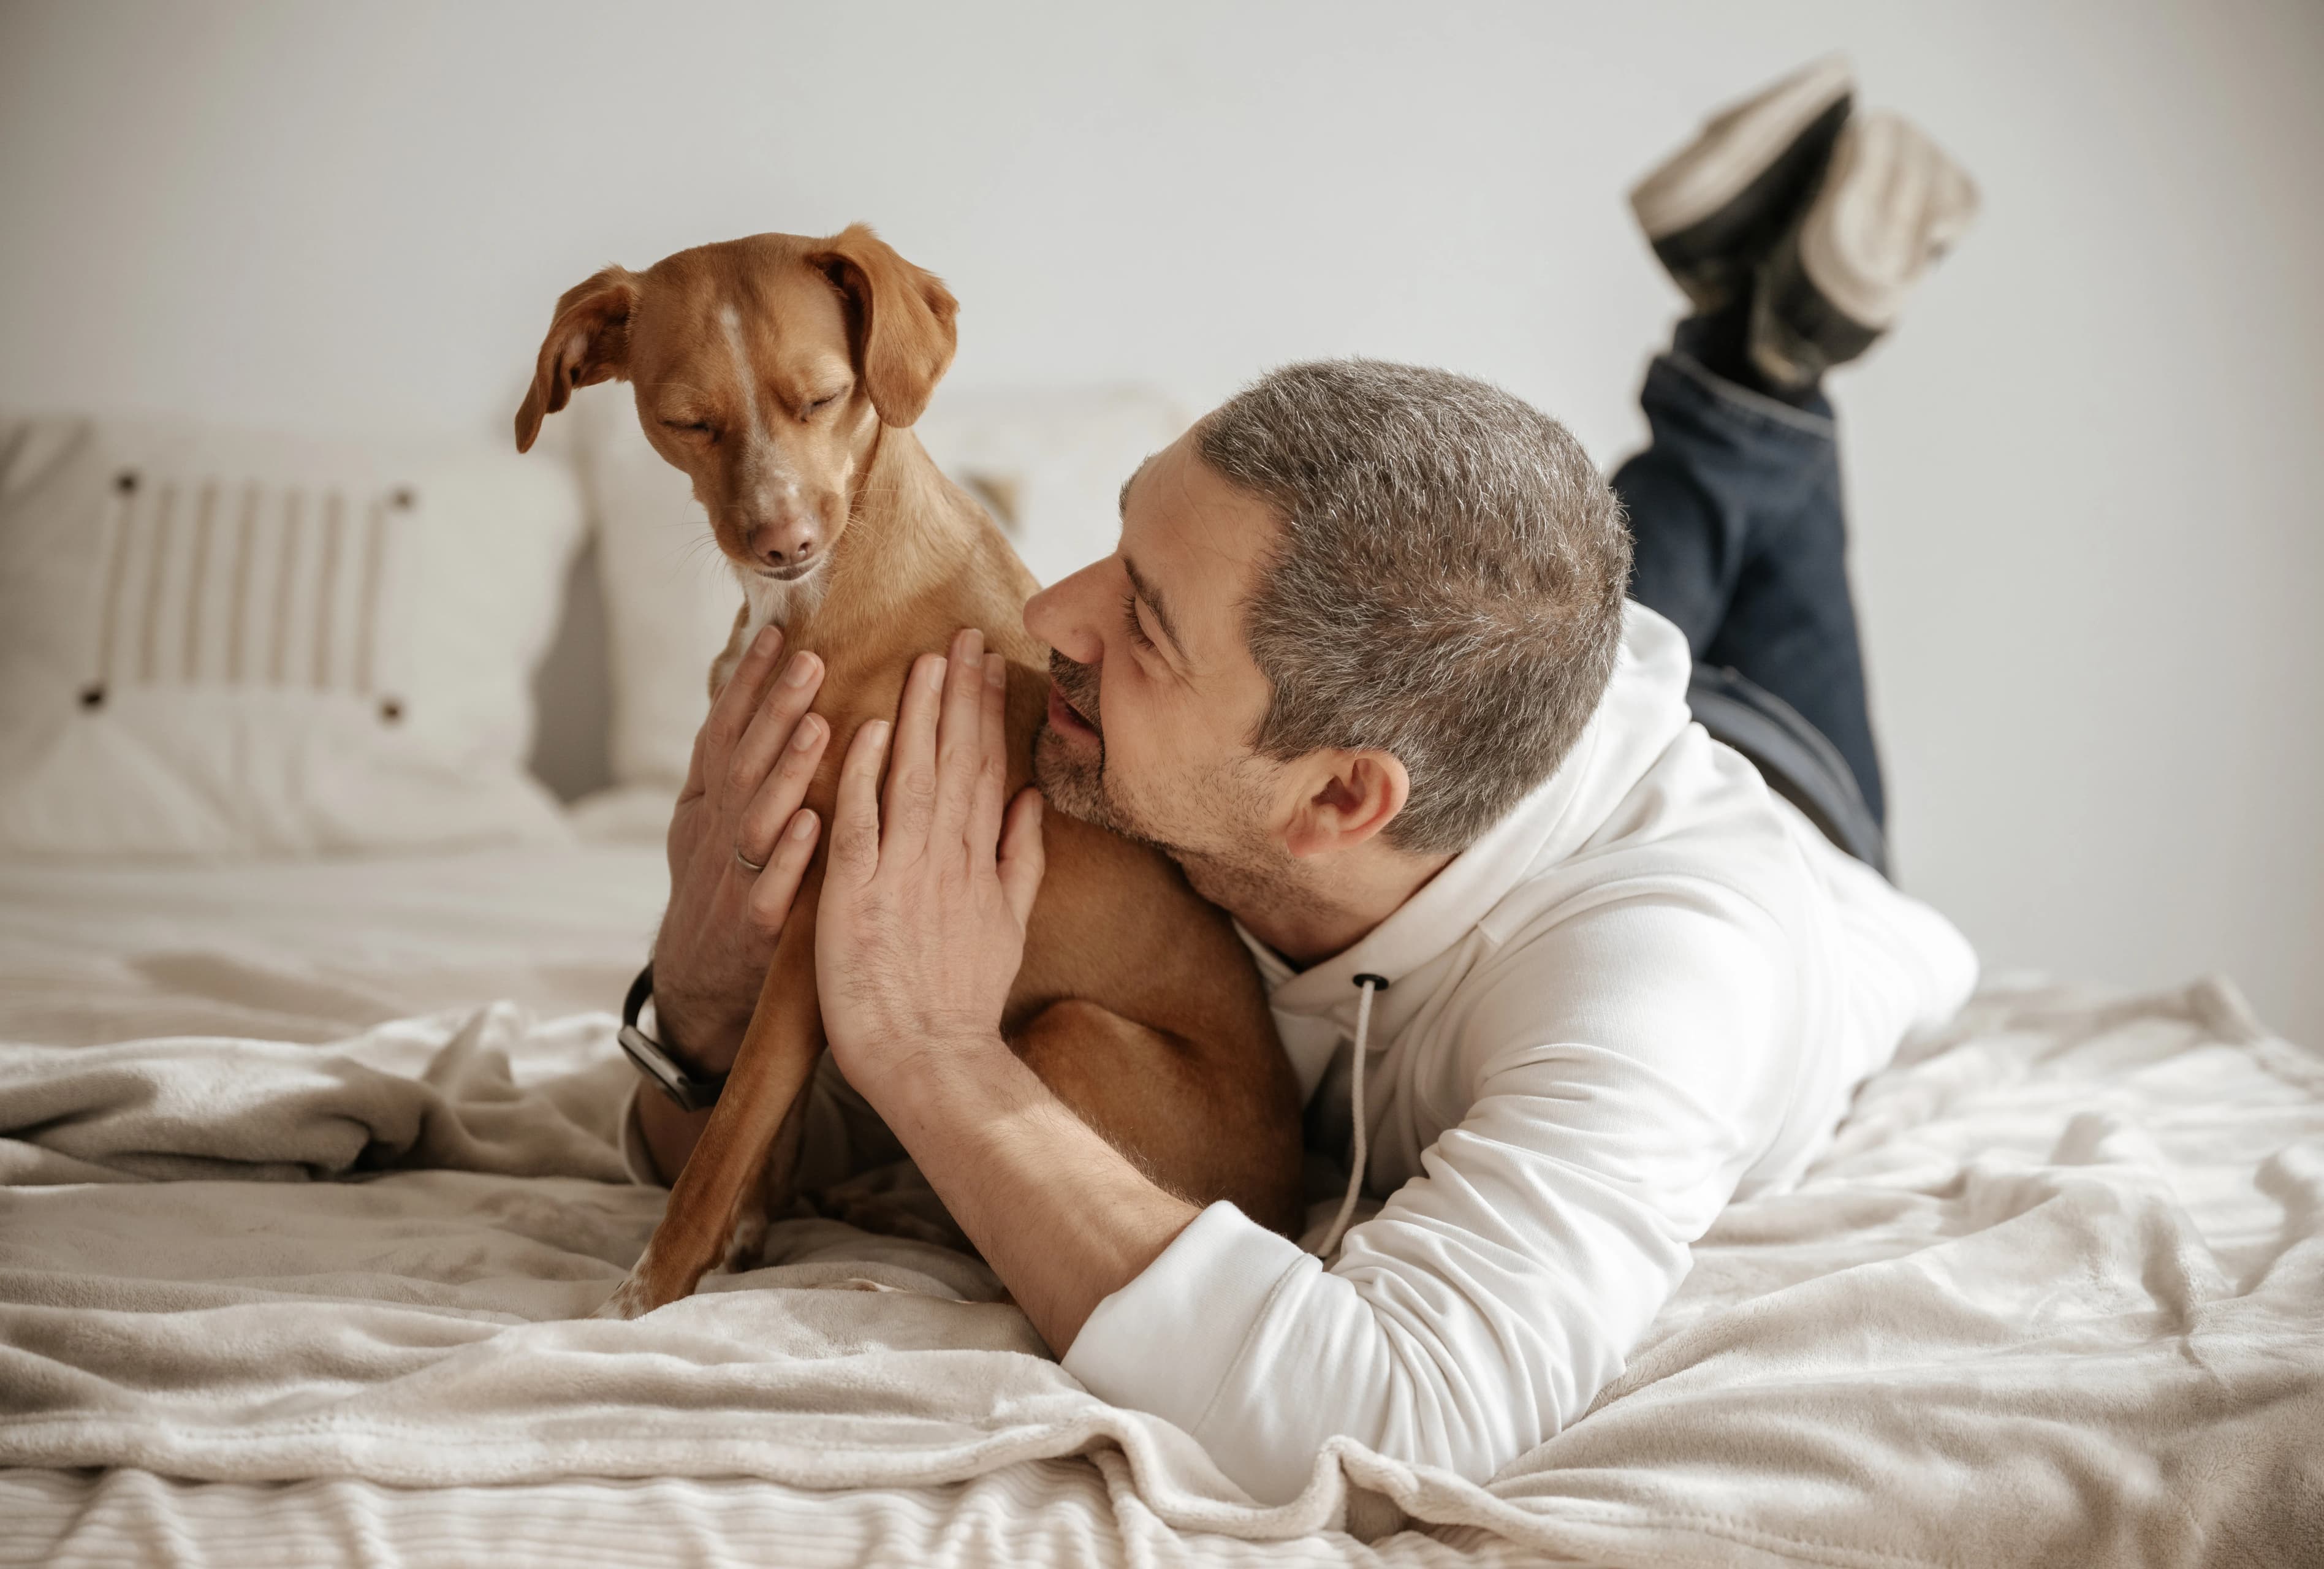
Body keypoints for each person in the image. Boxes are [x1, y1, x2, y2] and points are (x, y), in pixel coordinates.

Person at [613, 58, 1983, 1503]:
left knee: (1717, 479)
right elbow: (788, 1116)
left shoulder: (1663, 977)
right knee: (1548, 570)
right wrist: (698, 1009)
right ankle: (1755, 343)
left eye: (1140, 617)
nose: (1042, 621)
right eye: (1118, 539)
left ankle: (1750, 358)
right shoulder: (1169, 768)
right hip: (1513, 695)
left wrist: (944, 1061)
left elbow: (1407, 1419)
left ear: (1332, 808)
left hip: (1796, 821)